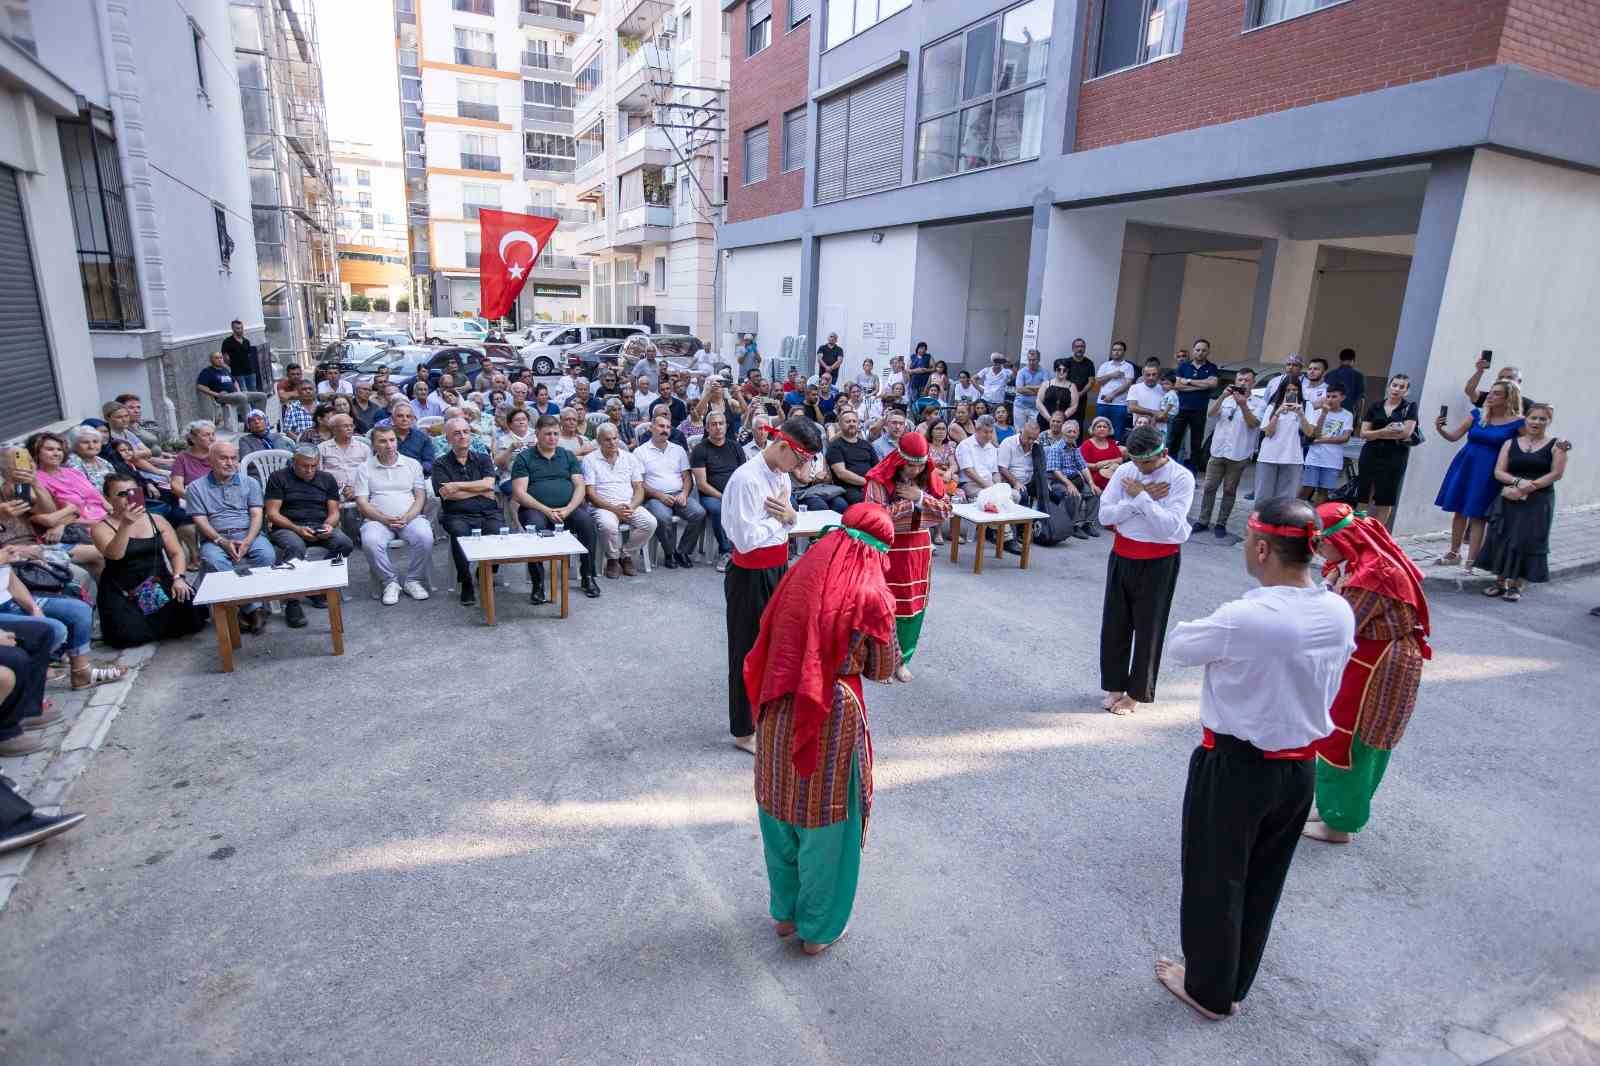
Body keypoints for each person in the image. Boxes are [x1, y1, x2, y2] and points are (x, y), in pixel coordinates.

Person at [1155, 496, 1355, 1021]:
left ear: (1262, 548)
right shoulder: (1337, 609)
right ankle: (1235, 979)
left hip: (1238, 765)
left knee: (1214, 877)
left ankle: (1208, 990)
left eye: (1247, 541)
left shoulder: (1246, 617)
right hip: (1298, 770)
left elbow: (1179, 646)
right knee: (1265, 878)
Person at [745, 502, 901, 956]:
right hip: (830, 713)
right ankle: (818, 929)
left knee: (779, 809)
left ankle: (786, 913)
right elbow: (884, 666)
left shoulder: (800, 572)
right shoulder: (871, 594)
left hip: (778, 704)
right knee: (827, 821)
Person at [1302, 501, 1430, 845]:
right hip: (1368, 660)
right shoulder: (1362, 559)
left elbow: (1340, 624)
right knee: (1340, 735)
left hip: (1378, 669)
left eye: (1319, 543)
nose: (1316, 552)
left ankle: (1340, 822)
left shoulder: (1372, 576)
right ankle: (1332, 807)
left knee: (1353, 741)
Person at [723, 415, 821, 753]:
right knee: (746, 649)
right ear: (783, 446)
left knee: (777, 645)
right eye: (801, 459)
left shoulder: (781, 476)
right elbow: (745, 538)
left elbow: (789, 519)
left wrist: (787, 519)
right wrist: (780, 522)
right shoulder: (746, 480)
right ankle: (742, 729)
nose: (801, 467)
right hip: (749, 575)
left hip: (778, 566)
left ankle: (766, 713)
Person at [1094, 425, 1194, 717]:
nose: (1140, 469)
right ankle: (1114, 685)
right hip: (1123, 554)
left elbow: (1170, 527)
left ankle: (1136, 693)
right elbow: (1105, 515)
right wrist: (1140, 499)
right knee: (1115, 624)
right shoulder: (1128, 471)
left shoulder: (1181, 478)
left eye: (1146, 463)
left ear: (1163, 453)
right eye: (1135, 462)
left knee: (1149, 628)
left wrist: (1140, 498)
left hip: (1159, 560)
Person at [863, 431, 950, 681]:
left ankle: (902, 659)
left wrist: (920, 497)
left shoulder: (928, 476)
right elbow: (875, 517)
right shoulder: (879, 478)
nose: (915, 470)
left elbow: (945, 511)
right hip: (888, 549)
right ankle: (881, 662)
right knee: (885, 606)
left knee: (913, 607)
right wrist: (911, 507)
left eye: (920, 464)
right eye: (910, 465)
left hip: (919, 551)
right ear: (900, 459)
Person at [90, 473, 205, 648]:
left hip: (157, 582)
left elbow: (175, 553)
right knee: (129, 637)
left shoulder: (156, 520)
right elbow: (115, 555)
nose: (128, 497)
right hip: (124, 590)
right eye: (121, 494)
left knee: (191, 616)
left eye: (133, 491)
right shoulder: (101, 527)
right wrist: (126, 525)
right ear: (108, 498)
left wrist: (179, 578)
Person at [185, 440, 276, 634]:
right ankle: (238, 609)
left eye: (233, 458)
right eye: (223, 458)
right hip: (215, 539)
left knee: (266, 555)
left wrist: (248, 541)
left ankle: (256, 606)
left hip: (248, 534)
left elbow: (256, 514)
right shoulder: (195, 488)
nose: (229, 463)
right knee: (214, 560)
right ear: (210, 460)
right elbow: (201, 521)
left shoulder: (250, 483)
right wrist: (222, 542)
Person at [1433, 380, 1525, 570]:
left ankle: (1472, 561)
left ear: (1509, 398)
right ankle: (1454, 552)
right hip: (1466, 464)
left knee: (1478, 515)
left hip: (1490, 470)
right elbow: (1453, 437)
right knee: (1459, 509)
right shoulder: (1477, 414)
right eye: (1491, 392)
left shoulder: (1518, 422)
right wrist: (1440, 428)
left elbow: (1526, 447)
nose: (1490, 396)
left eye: (1497, 393)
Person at [1478, 404, 1566, 602]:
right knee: (1503, 536)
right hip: (1510, 495)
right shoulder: (1511, 443)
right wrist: (1517, 483)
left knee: (1527, 539)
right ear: (1526, 419)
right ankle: (1500, 581)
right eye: (1534, 418)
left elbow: (1556, 473)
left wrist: (1529, 487)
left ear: (1549, 421)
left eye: (1543, 419)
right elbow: (1499, 471)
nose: (1537, 422)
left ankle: (1518, 584)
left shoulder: (1556, 445)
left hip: (1539, 499)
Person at [510, 415, 602, 602]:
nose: (552, 438)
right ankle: (538, 584)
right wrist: (546, 510)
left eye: (555, 434)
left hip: (567, 508)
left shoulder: (567, 456)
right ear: (537, 434)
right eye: (547, 434)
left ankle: (588, 576)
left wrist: (568, 508)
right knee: (533, 527)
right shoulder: (524, 458)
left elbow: (579, 486)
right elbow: (520, 493)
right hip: (535, 509)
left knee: (587, 523)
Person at [263, 444, 353, 628]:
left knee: (344, 544)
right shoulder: (279, 477)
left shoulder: (326, 479)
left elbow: (334, 511)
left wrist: (328, 525)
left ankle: (317, 585)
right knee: (296, 548)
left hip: (319, 525)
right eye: (304, 466)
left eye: (314, 466)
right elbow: (272, 513)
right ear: (294, 462)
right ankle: (292, 601)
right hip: (287, 526)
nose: (309, 470)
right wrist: (297, 529)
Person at [354, 425, 434, 607]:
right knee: (370, 541)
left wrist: (408, 516)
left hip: (410, 518)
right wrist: (383, 519)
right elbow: (362, 502)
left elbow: (420, 496)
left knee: (425, 536)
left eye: (392, 440)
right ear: (374, 445)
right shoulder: (364, 468)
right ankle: (390, 582)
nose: (389, 445)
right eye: (383, 441)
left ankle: (413, 580)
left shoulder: (412, 464)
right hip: (377, 520)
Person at [432, 417, 502, 605]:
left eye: (465, 431)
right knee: (460, 535)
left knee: (498, 533)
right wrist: (479, 490)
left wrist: (457, 485)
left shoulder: (483, 458)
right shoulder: (440, 464)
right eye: (456, 433)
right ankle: (466, 583)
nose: (462, 436)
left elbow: (489, 484)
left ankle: (484, 570)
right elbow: (446, 495)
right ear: (447, 438)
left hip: (488, 511)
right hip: (456, 514)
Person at [1193, 370, 1264, 539]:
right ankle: (1203, 520)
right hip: (1218, 450)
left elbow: (1254, 424)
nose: (1243, 382)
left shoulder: (1259, 403)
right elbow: (1211, 414)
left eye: (1247, 380)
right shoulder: (1227, 399)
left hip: (1239, 453)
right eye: (1240, 379)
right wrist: (1222, 397)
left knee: (1229, 490)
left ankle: (1221, 523)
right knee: (1209, 487)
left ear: (1253, 384)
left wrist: (1243, 405)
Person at [583, 423, 657, 579]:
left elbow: (639, 488)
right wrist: (614, 509)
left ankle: (626, 554)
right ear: (599, 441)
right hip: (603, 506)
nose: (612, 443)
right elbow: (590, 493)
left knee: (650, 523)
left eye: (615, 438)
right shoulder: (590, 460)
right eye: (607, 440)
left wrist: (631, 506)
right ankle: (612, 558)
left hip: (628, 504)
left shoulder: (630, 458)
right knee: (608, 525)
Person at [636, 414, 706, 569]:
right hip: (653, 497)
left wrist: (684, 493)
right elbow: (639, 483)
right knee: (663, 517)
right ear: (651, 428)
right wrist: (659, 495)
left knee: (699, 513)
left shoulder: (678, 450)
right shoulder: (641, 452)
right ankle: (669, 553)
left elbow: (687, 477)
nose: (665, 430)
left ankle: (682, 551)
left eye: (668, 427)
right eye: (661, 426)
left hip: (678, 494)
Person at [1353, 374, 1418, 527]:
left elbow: (1406, 433)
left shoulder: (1409, 407)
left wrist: (1376, 434)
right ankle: (1359, 528)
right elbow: (1363, 433)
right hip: (1371, 453)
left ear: (1406, 391)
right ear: (1389, 386)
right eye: (1394, 385)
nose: (1397, 389)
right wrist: (1384, 432)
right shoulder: (1375, 406)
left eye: (1402, 387)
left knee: (1385, 496)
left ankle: (1377, 533)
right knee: (1364, 493)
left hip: (1395, 456)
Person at [27, 431, 108, 544]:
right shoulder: (35, 480)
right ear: (36, 452)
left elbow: (98, 497)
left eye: (59, 449)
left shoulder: (73, 472)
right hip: (85, 529)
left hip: (105, 519)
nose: (56, 453)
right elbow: (46, 517)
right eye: (50, 449)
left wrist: (113, 513)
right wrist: (64, 523)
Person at [692, 411, 746, 572]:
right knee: (719, 509)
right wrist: (723, 497)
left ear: (726, 426)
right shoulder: (700, 449)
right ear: (707, 428)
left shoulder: (735, 446)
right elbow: (701, 484)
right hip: (711, 495)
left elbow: (744, 474)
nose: (718, 427)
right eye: (714, 424)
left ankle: (746, 547)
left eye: (721, 423)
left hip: (735, 492)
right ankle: (726, 552)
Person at [1253, 377, 1310, 503]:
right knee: (1263, 496)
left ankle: (1281, 522)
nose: (1291, 393)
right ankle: (1260, 522)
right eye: (1287, 390)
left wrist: (1301, 414)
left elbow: (1309, 432)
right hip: (1269, 456)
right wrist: (1277, 413)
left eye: (1294, 390)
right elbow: (1268, 433)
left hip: (1293, 458)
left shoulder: (1305, 407)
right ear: (1282, 391)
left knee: (1286, 499)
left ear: (1299, 391)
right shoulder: (1272, 407)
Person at [1042, 419, 1099, 540]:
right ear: (1063, 433)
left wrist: (1092, 483)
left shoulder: (1074, 448)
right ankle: (1074, 526)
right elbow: (1055, 471)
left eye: (1074, 432)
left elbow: (1083, 467)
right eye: (1069, 431)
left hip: (1074, 479)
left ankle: (1087, 524)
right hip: (1057, 481)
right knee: (1073, 494)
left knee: (1095, 493)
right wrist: (1069, 484)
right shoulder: (1056, 448)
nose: (1072, 434)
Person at [1169, 340, 1219, 469]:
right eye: (1198, 350)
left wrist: (1189, 381)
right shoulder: (1184, 366)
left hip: (1199, 410)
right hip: (1182, 409)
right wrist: (1203, 385)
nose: (1200, 352)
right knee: (1174, 442)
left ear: (1208, 351)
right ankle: (1171, 471)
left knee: (1196, 445)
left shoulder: (1212, 367)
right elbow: (1178, 385)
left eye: (1204, 350)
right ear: (1193, 350)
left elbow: (1213, 384)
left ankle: (1192, 475)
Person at [1300, 384, 1353, 504]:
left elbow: (1345, 437)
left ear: (1342, 397)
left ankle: (1317, 518)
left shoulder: (1347, 415)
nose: (1330, 400)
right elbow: (1314, 434)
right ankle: (1294, 513)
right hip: (1314, 457)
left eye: (1334, 396)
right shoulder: (1318, 412)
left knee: (1323, 491)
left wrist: (1321, 440)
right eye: (1328, 396)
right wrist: (1323, 414)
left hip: (1332, 460)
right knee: (1307, 488)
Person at [196, 350, 268, 426]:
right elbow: (200, 386)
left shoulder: (224, 369)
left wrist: (239, 390)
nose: (220, 360)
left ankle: (261, 421)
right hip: (222, 396)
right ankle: (249, 424)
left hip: (235, 393)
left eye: (221, 358)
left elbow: (234, 381)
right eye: (216, 358)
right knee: (242, 397)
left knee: (262, 396)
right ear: (211, 360)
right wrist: (216, 394)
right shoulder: (207, 371)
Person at [826, 409, 876, 508]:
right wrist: (866, 482)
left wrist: (874, 484)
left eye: (854, 421)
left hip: (870, 485)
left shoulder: (866, 444)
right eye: (848, 422)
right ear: (840, 425)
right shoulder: (835, 446)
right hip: (848, 487)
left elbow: (877, 467)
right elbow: (842, 473)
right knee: (863, 502)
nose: (852, 424)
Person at [317, 415, 371, 502]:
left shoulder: (364, 448)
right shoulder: (322, 448)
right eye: (345, 426)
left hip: (360, 491)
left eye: (351, 425)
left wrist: (356, 489)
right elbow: (318, 475)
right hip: (331, 492)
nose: (349, 428)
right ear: (334, 429)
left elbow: (370, 474)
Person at [1094, 341, 1135, 440]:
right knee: (1100, 429)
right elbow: (1098, 381)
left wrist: (1112, 395)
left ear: (1124, 352)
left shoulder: (1128, 366)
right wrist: (1112, 375)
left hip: (1119, 404)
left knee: (1118, 432)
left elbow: (1128, 384)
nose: (1116, 352)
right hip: (1103, 403)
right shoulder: (1105, 365)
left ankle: (1116, 452)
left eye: (1119, 350)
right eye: (1114, 350)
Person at [388, 401, 436, 475]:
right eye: (400, 416)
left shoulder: (423, 437)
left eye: (408, 416)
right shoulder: (385, 437)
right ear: (392, 419)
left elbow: (429, 462)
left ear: (413, 419)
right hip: (390, 474)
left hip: (418, 475)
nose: (404, 419)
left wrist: (416, 469)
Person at [1078, 416, 1125, 492]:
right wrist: (1097, 466)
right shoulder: (1087, 444)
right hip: (1094, 476)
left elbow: (1120, 459)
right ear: (1093, 429)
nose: (1102, 429)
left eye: (1104, 427)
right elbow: (1083, 465)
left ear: (1109, 430)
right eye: (1099, 427)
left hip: (1111, 471)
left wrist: (1105, 463)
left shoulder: (1111, 442)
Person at [1037, 358, 1081, 432]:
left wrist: (1061, 418)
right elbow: (1039, 402)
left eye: (1064, 370)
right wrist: (1049, 418)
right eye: (1059, 369)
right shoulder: (1046, 384)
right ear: (1055, 370)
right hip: (1044, 419)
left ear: (1068, 371)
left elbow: (1074, 406)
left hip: (1063, 423)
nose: (1061, 372)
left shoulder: (1072, 386)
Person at [1127, 359, 1167, 430]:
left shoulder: (1164, 389)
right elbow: (1132, 407)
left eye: (1154, 374)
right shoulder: (1134, 388)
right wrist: (1153, 412)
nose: (1151, 377)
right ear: (1143, 374)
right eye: (1148, 375)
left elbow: (1167, 414)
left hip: (1159, 430)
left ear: (1158, 375)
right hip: (1140, 429)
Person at [1325, 348, 1364, 415]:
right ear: (1353, 360)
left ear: (1340, 360)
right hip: (1348, 411)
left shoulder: (1329, 374)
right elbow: (1361, 398)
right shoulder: (1358, 376)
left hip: (1329, 410)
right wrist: (1359, 416)